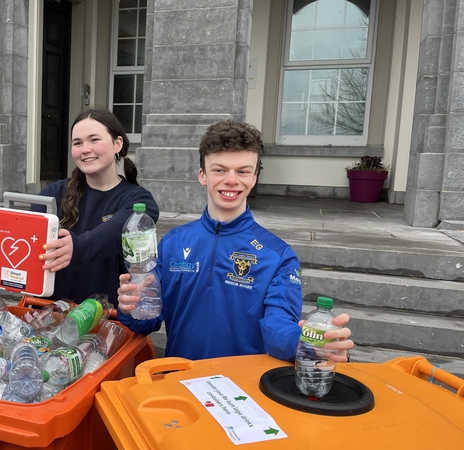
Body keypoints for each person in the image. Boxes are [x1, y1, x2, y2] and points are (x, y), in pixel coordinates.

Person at [117, 120, 353, 362]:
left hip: (242, 383)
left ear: (254, 178)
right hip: (179, 378)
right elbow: (147, 321)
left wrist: (309, 343)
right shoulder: (172, 243)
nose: (231, 180)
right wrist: (130, 306)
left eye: (243, 171)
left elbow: (278, 325)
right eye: (219, 170)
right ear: (202, 175)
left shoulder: (278, 256)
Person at [0, 109, 159, 306]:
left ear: (118, 144)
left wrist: (78, 247)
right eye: (77, 143)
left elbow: (118, 229)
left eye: (94, 140)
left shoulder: (139, 201)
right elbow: (25, 243)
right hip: (48, 313)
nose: (85, 149)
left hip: (105, 316)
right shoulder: (53, 193)